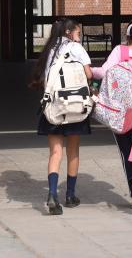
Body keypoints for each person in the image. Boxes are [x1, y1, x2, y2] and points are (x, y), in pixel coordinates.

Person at [91, 18, 132, 213]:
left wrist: (89, 70)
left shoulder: (119, 51)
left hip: (120, 112)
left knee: (126, 153)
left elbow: (103, 72)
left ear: (127, 36)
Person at [29, 18, 92, 215]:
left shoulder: (49, 50)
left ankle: (53, 194)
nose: (79, 37)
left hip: (55, 107)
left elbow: (46, 77)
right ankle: (70, 195)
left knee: (55, 153)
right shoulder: (77, 48)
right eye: (78, 33)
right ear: (69, 32)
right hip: (75, 107)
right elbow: (89, 75)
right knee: (73, 152)